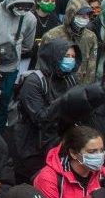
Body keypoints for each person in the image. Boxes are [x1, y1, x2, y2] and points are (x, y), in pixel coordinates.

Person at [10, 39, 81, 183]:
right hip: (32, 145)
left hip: (59, 143)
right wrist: (65, 101)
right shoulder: (34, 81)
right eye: (66, 56)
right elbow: (40, 118)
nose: (70, 60)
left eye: (73, 57)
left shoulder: (70, 80)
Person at [0, 0, 35, 129]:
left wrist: (15, 50)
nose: (22, 10)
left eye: (27, 7)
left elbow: (28, 44)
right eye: (20, 6)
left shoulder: (30, 19)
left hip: (10, 67)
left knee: (4, 99)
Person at [40, 0, 99, 85]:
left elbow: (91, 66)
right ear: (71, 14)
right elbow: (42, 64)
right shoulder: (52, 35)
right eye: (81, 15)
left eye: (87, 15)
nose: (85, 17)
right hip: (54, 84)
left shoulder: (90, 37)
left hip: (79, 85)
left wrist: (86, 90)